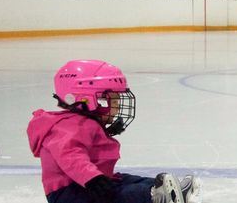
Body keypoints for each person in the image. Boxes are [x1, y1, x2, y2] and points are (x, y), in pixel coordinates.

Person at [27, 59, 201, 203]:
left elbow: (87, 145)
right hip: (71, 194)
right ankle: (155, 197)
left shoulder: (82, 122)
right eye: (111, 102)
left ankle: (164, 190)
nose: (116, 109)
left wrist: (105, 132)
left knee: (127, 180)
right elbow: (70, 155)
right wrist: (92, 178)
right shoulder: (68, 126)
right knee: (118, 195)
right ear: (86, 99)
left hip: (87, 184)